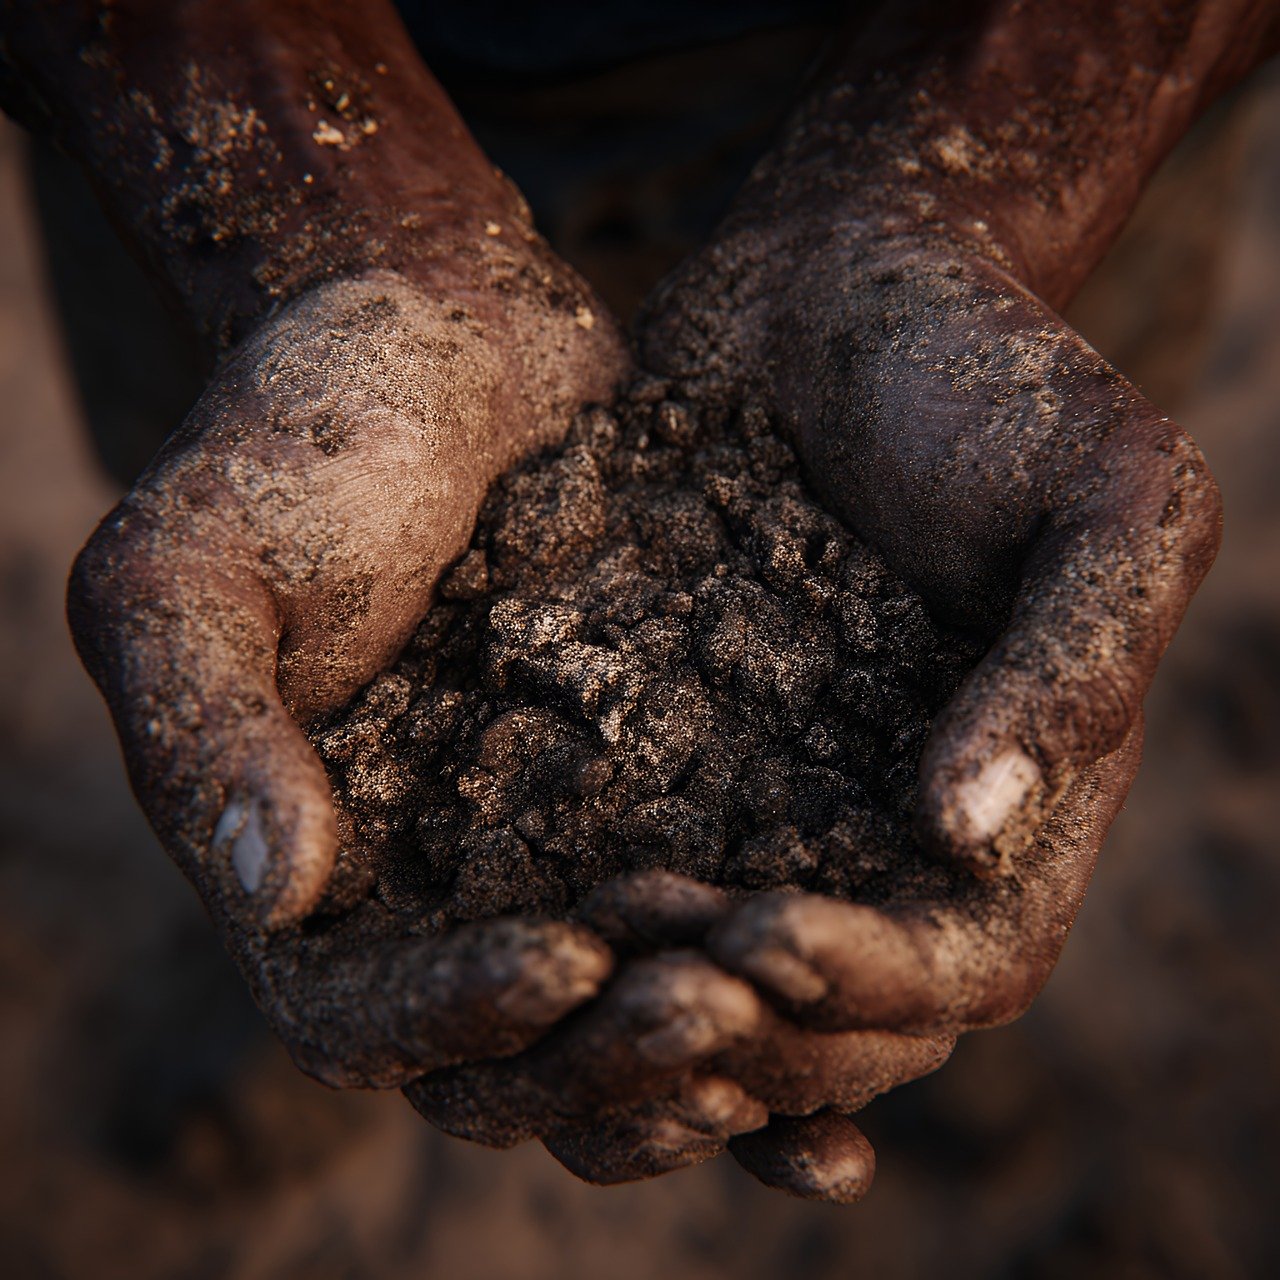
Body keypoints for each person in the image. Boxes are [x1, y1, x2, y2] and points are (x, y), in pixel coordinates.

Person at [1, 0, 1274, 1200]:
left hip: (1005, 83)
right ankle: (296, 893)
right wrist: (336, 232)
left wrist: (966, 185)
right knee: (282, 624)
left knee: (992, 627)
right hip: (242, 83)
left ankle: (919, 981)